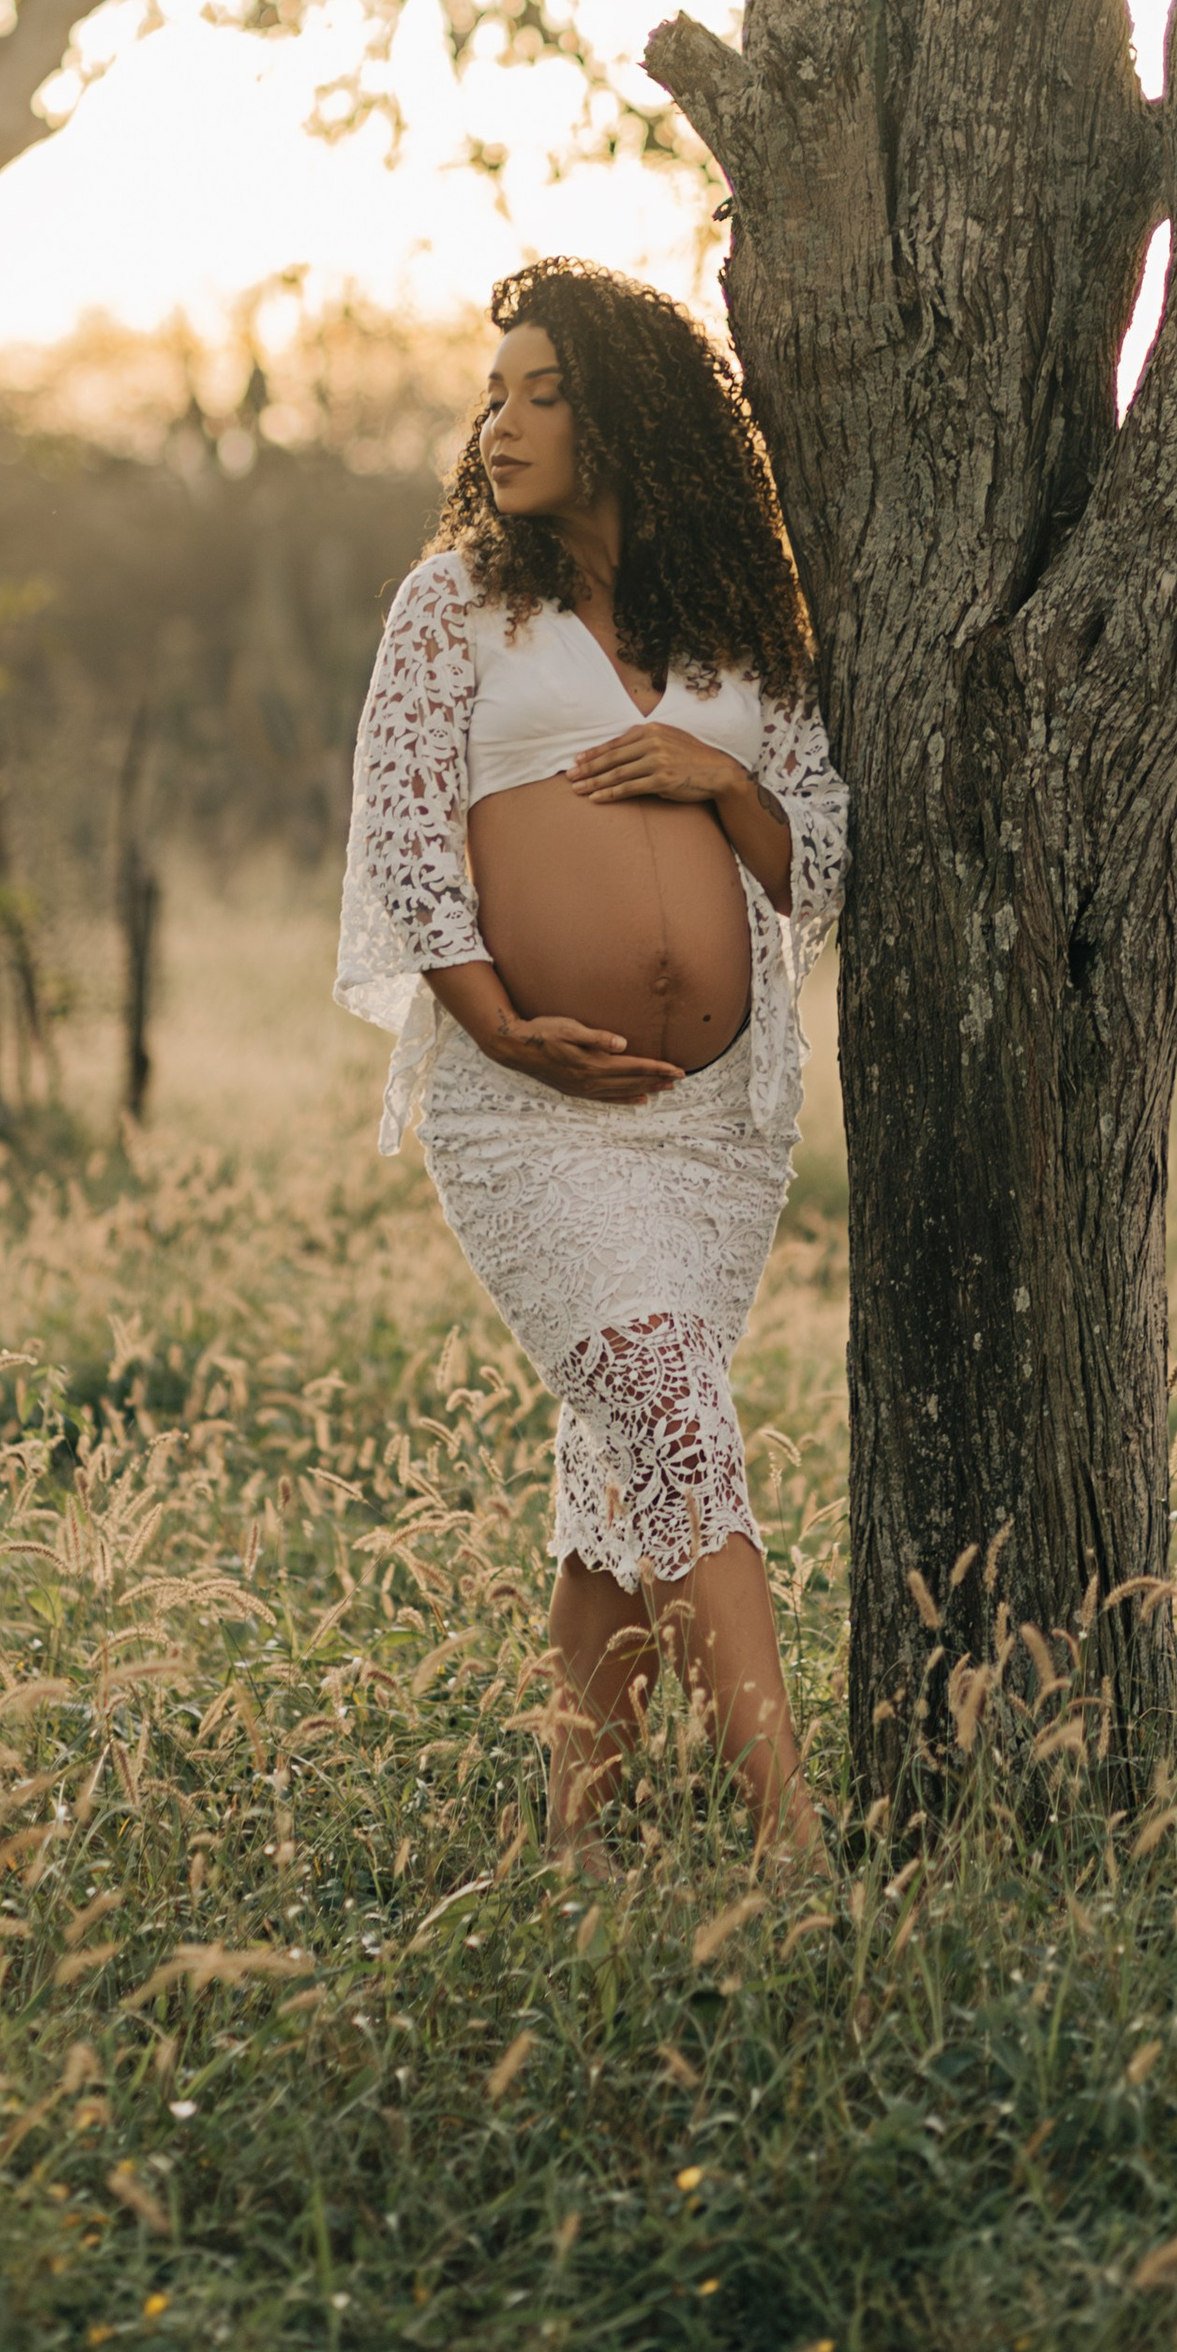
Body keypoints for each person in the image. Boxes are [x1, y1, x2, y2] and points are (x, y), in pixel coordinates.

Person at [337, 260, 848, 1868]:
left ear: (629, 415)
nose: (501, 422)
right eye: (495, 393)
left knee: (618, 1468)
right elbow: (407, 836)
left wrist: (717, 774)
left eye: (541, 393)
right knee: (678, 1416)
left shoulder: (749, 631)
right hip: (526, 1116)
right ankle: (793, 1846)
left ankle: (579, 1848)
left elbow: (819, 858)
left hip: (714, 1131)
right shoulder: (456, 608)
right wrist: (497, 1025)